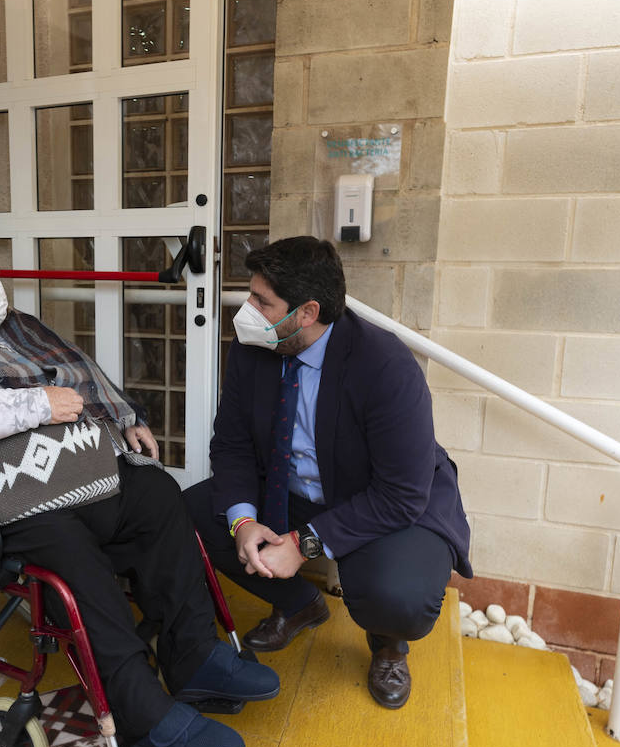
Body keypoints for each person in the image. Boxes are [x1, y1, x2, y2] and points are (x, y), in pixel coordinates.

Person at [0, 221, 279, 747]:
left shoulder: (12, 326)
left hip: (64, 470)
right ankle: (142, 712)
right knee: (71, 552)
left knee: (155, 492)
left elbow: (81, 375)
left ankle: (192, 655)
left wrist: (123, 417)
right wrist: (36, 406)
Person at [183, 236, 472, 710]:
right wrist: (243, 521)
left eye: (262, 300)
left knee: (397, 596)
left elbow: (401, 493)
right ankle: (300, 605)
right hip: (292, 485)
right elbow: (231, 443)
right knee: (192, 513)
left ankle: (388, 645)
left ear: (307, 312)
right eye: (251, 294)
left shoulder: (385, 365)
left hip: (381, 497)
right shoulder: (253, 348)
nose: (247, 309)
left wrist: (303, 544)